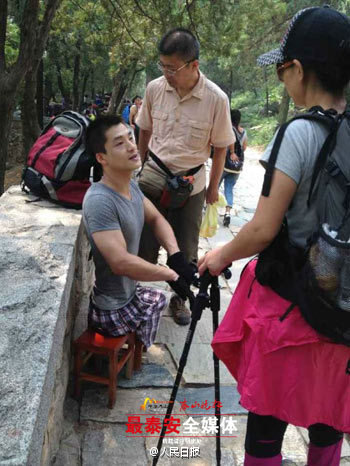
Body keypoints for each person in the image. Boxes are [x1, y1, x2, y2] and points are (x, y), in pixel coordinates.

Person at [198, 6, 350, 465]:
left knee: (268, 416)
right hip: (343, 306)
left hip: (293, 305)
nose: (284, 80)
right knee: (329, 415)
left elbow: (264, 228)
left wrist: (220, 255)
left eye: (283, 70)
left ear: (299, 69)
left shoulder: (300, 133)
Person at [136, 27, 235, 325]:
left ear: (194, 65)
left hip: (191, 184)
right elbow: (145, 130)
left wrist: (213, 188)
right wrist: (139, 168)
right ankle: (134, 294)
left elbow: (220, 148)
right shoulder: (155, 88)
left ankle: (179, 299)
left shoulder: (216, 99)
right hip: (152, 176)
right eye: (162, 66)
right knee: (141, 242)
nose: (166, 73)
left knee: (186, 248)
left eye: (172, 67)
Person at [83, 115, 194, 348]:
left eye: (130, 137)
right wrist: (170, 275)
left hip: (127, 295)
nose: (132, 146)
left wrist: (175, 256)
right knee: (158, 300)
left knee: (157, 298)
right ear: (101, 157)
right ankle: (139, 352)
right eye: (119, 143)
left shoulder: (130, 185)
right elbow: (120, 263)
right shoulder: (100, 201)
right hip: (111, 310)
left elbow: (156, 218)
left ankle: (137, 350)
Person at [220, 109, 248, 227]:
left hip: (225, 163)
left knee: (214, 185)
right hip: (236, 167)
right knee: (229, 188)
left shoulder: (228, 128)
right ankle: (227, 213)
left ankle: (209, 208)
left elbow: (228, 141)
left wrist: (231, 152)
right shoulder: (244, 132)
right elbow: (244, 148)